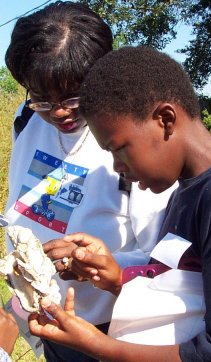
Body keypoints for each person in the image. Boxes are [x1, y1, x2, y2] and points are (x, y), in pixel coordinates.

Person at [28, 46, 211, 361]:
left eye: (119, 149)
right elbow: (181, 297)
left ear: (165, 119)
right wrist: (117, 278)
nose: (117, 167)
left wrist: (97, 345)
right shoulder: (183, 194)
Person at [5, 3, 175, 361]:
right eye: (42, 99)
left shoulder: (131, 140)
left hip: (107, 330)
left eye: (72, 96)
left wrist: (93, 261)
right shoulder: (26, 120)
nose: (59, 112)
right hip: (46, 315)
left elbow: (164, 257)